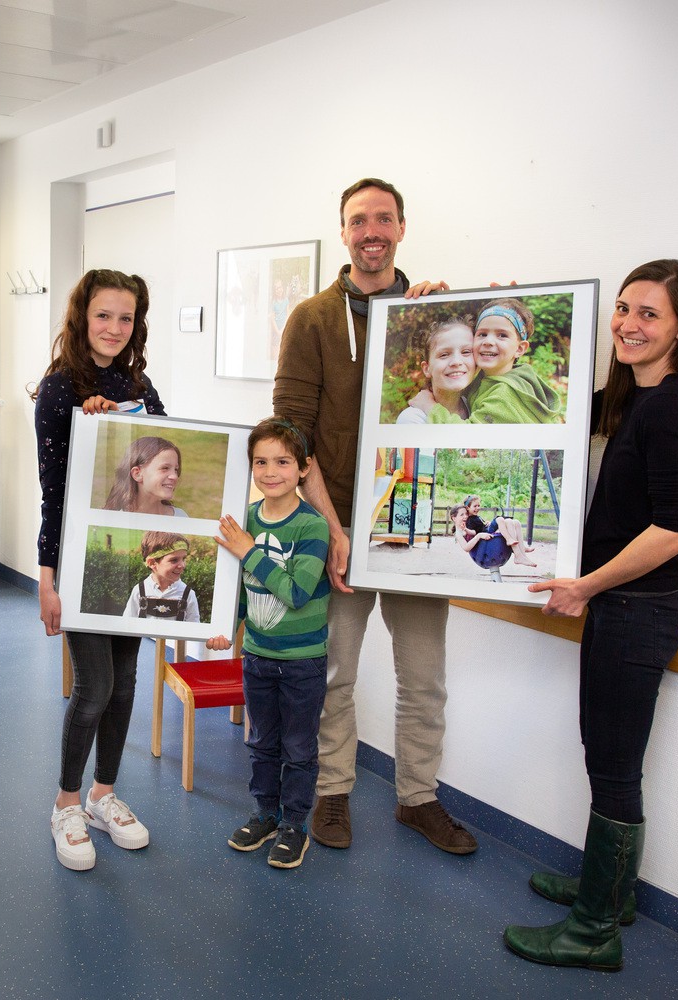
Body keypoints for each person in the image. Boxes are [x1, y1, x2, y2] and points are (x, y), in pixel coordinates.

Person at [503, 259, 678, 971]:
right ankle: (613, 893)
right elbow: (547, 413)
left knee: (617, 767)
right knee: (606, 756)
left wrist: (587, 586)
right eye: (623, 309)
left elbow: (675, 530)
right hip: (621, 610)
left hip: (639, 611)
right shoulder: (633, 397)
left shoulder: (676, 406)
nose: (628, 323)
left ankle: (596, 930)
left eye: (648, 314)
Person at [273, 177, 476, 855]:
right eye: (359, 220)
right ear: (343, 232)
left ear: (401, 228)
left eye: (384, 219)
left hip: (419, 528)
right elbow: (292, 437)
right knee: (335, 672)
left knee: (424, 678)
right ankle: (333, 792)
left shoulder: (429, 315)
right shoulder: (311, 319)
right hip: (343, 528)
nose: (372, 232)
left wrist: (471, 309)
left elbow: (476, 395)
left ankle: (418, 798)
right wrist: (333, 531)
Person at [32, 268, 161, 872]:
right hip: (83, 561)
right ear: (82, 317)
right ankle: (65, 804)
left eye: (126, 318)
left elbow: (159, 460)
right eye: (103, 315)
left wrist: (122, 422)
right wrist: (47, 578)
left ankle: (103, 796)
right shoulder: (60, 389)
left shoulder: (141, 384)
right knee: (94, 689)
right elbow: (52, 491)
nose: (114, 328)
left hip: (131, 559)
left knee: (127, 684)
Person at [206, 418, 331, 870]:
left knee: (299, 748)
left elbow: (296, 592)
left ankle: (296, 824)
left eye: (282, 461)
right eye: (261, 462)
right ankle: (265, 814)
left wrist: (249, 550)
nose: (271, 471)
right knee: (262, 743)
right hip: (257, 657)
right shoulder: (248, 522)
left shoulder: (312, 527)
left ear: (304, 468)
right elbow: (241, 589)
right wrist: (226, 626)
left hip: (302, 664)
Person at [412, 297, 562, 424]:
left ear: (520, 349)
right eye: (482, 334)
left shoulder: (504, 394)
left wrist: (430, 407)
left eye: (502, 335)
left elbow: (467, 438)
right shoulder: (484, 379)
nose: (488, 341)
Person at [395, 319, 474, 424]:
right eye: (444, 354)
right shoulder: (413, 419)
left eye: (466, 352)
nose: (456, 362)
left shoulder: (479, 408)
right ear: (427, 369)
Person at [122, 531, 200, 622]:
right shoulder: (140, 590)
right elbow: (127, 623)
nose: (182, 565)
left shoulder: (187, 594)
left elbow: (193, 627)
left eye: (184, 559)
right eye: (174, 560)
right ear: (152, 563)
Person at [102, 436, 188, 516]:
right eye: (165, 468)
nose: (174, 476)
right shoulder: (113, 520)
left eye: (176, 469)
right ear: (137, 474)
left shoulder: (180, 517)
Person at [459, 495, 537, 571]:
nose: (478, 508)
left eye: (479, 505)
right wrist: (465, 529)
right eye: (475, 506)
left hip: (487, 530)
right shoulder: (469, 519)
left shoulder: (476, 517)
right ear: (468, 508)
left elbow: (480, 526)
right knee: (499, 519)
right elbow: (474, 532)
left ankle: (521, 550)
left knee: (515, 522)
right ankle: (510, 541)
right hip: (485, 537)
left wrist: (487, 523)